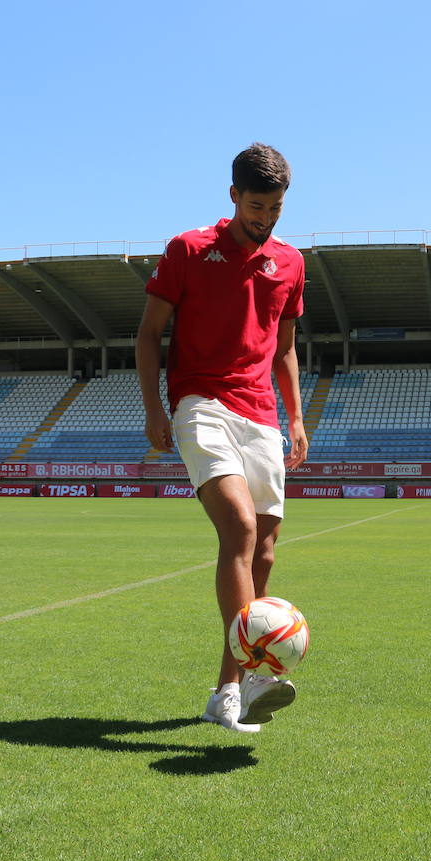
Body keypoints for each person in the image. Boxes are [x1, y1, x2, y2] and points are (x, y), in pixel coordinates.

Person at [136, 143, 308, 733]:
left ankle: (226, 692)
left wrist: (296, 417)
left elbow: (284, 347)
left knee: (263, 550)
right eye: (257, 205)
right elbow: (148, 334)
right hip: (200, 402)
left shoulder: (291, 262)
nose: (266, 218)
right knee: (237, 526)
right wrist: (156, 408)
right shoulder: (188, 250)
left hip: (261, 414)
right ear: (233, 196)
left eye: (276, 207)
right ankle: (261, 666)